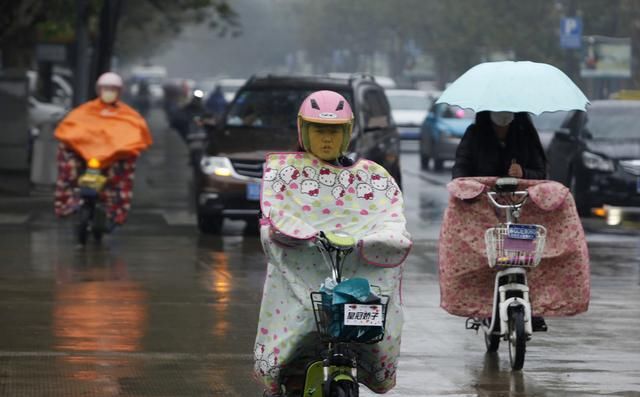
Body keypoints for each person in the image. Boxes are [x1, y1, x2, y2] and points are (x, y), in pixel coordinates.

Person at [254, 90, 412, 396]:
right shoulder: (286, 175)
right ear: (304, 131)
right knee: (292, 360)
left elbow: (389, 214)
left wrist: (383, 237)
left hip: (351, 272)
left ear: (347, 133)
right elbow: (275, 212)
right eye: (319, 130)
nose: (327, 139)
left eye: (335, 131)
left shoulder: (369, 177)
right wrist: (284, 230)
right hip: (303, 276)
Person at [54, 71, 152, 230]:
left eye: (113, 89)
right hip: (86, 158)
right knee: (68, 168)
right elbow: (69, 129)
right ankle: (68, 204)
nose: (109, 92)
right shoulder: (84, 111)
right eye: (105, 88)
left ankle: (116, 211)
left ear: (119, 91)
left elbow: (136, 135)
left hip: (113, 159)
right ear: (99, 90)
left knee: (122, 176)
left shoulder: (129, 115)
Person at [451, 111, 547, 180]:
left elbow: (541, 172)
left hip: (517, 200)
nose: (501, 129)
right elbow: (461, 168)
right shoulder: (474, 135)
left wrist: (524, 173)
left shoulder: (525, 136)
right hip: (480, 199)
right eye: (496, 126)